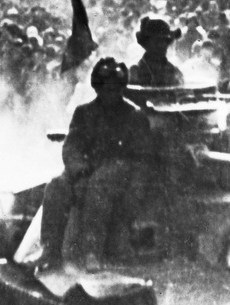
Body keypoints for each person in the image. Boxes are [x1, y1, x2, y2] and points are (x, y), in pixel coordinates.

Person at [39, 57, 153, 269]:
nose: (110, 93)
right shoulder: (84, 113)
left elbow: (141, 158)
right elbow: (71, 146)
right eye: (105, 88)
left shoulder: (134, 116)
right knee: (55, 187)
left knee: (99, 185)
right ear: (97, 87)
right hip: (86, 169)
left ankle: (92, 251)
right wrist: (79, 171)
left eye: (115, 88)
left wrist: (134, 189)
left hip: (119, 171)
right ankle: (50, 250)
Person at [129, 17, 184, 87]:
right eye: (157, 41)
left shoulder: (174, 72)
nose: (162, 45)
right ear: (146, 43)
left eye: (165, 40)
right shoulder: (136, 71)